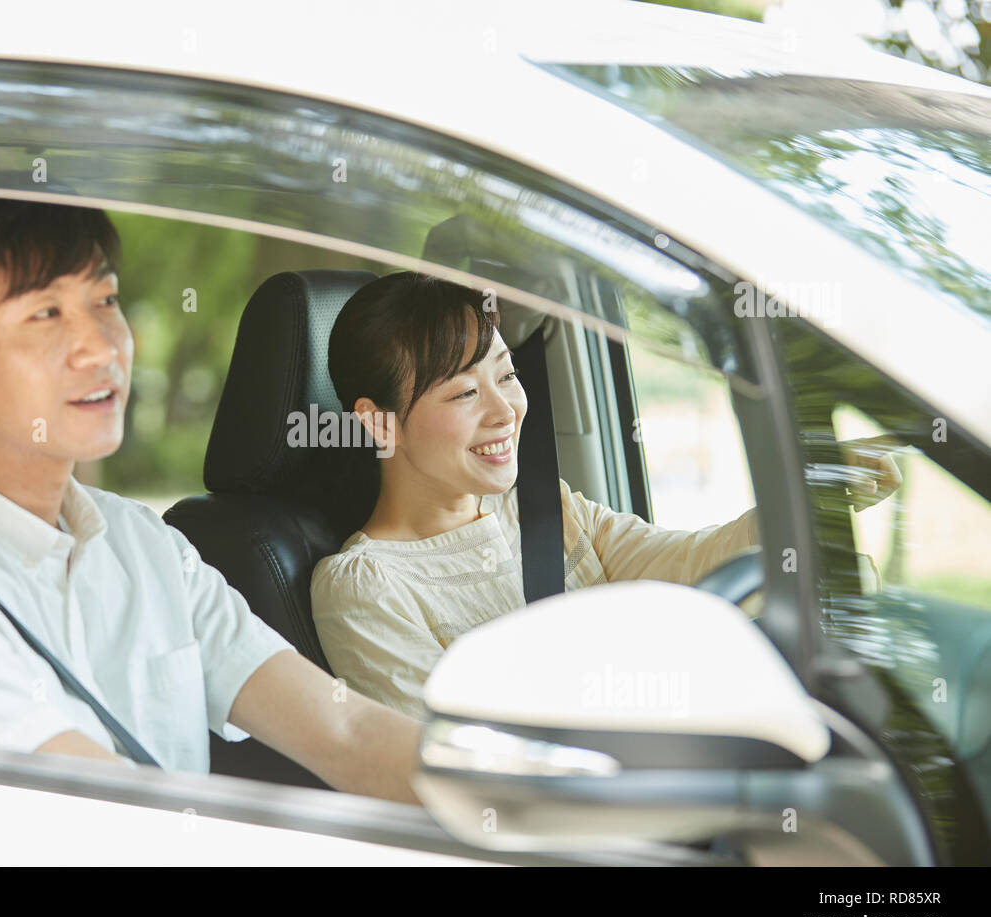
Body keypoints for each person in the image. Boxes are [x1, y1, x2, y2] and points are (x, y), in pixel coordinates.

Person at [0, 193, 421, 803]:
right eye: (45, 313)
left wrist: (509, 801)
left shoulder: (145, 541)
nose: (102, 346)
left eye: (105, 301)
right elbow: (128, 825)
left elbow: (344, 727)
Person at [310, 272, 901, 718]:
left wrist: (805, 495)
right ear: (379, 422)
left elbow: (694, 564)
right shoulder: (364, 588)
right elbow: (441, 766)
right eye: (465, 393)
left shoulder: (549, 510)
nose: (505, 411)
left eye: (507, 376)